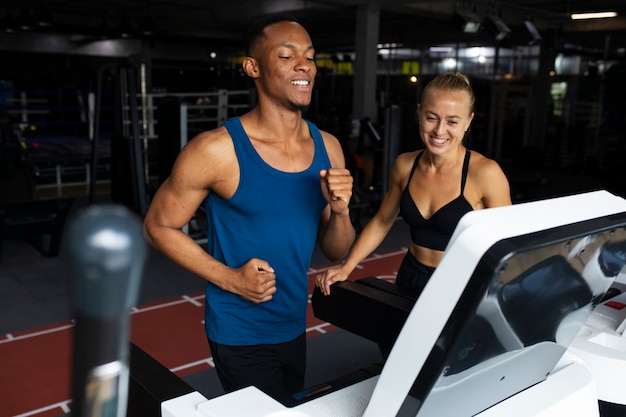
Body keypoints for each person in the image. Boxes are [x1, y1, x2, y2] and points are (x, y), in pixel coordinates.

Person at [143, 14, 355, 401]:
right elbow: (158, 226)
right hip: (240, 331)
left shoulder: (329, 147)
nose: (304, 65)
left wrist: (340, 210)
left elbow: (336, 250)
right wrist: (230, 279)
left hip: (294, 324)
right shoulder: (215, 150)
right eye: (287, 56)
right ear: (253, 67)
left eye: (309, 56)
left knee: (291, 406)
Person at [315, 71, 511, 299]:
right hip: (411, 274)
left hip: (461, 283)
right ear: (419, 113)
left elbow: (507, 243)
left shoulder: (485, 173)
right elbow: (381, 221)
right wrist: (347, 267)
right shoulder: (405, 165)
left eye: (452, 122)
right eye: (431, 117)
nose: (439, 130)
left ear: (468, 121)